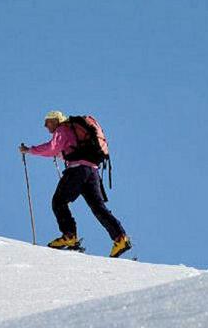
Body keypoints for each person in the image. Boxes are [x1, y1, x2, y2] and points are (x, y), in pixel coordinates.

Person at [20, 110, 132, 258]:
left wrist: (30, 150)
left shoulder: (62, 129)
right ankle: (120, 238)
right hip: (92, 171)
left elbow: (53, 147)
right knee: (98, 207)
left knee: (59, 201)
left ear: (55, 120)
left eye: (47, 122)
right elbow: (67, 150)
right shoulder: (72, 131)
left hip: (77, 170)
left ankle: (69, 236)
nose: (45, 126)